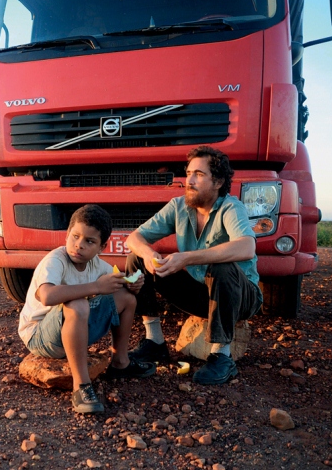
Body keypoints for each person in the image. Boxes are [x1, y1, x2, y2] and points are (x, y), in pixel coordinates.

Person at [124, 146, 263, 385]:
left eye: (198, 174)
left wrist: (187, 258)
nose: (189, 180)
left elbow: (246, 247)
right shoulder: (178, 206)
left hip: (241, 297)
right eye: (188, 173)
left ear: (218, 181)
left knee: (222, 266)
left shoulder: (231, 207)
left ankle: (222, 356)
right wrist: (148, 254)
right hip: (203, 295)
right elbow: (134, 238)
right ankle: (154, 341)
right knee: (136, 260)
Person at [18, 204, 156, 414]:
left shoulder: (97, 265)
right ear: (67, 234)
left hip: (72, 330)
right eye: (75, 236)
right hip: (39, 336)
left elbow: (119, 284)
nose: (79, 245)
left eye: (89, 241)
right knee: (78, 303)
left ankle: (120, 362)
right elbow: (47, 296)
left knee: (127, 298)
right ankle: (81, 386)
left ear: (102, 247)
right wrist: (96, 287)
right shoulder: (55, 260)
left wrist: (133, 285)